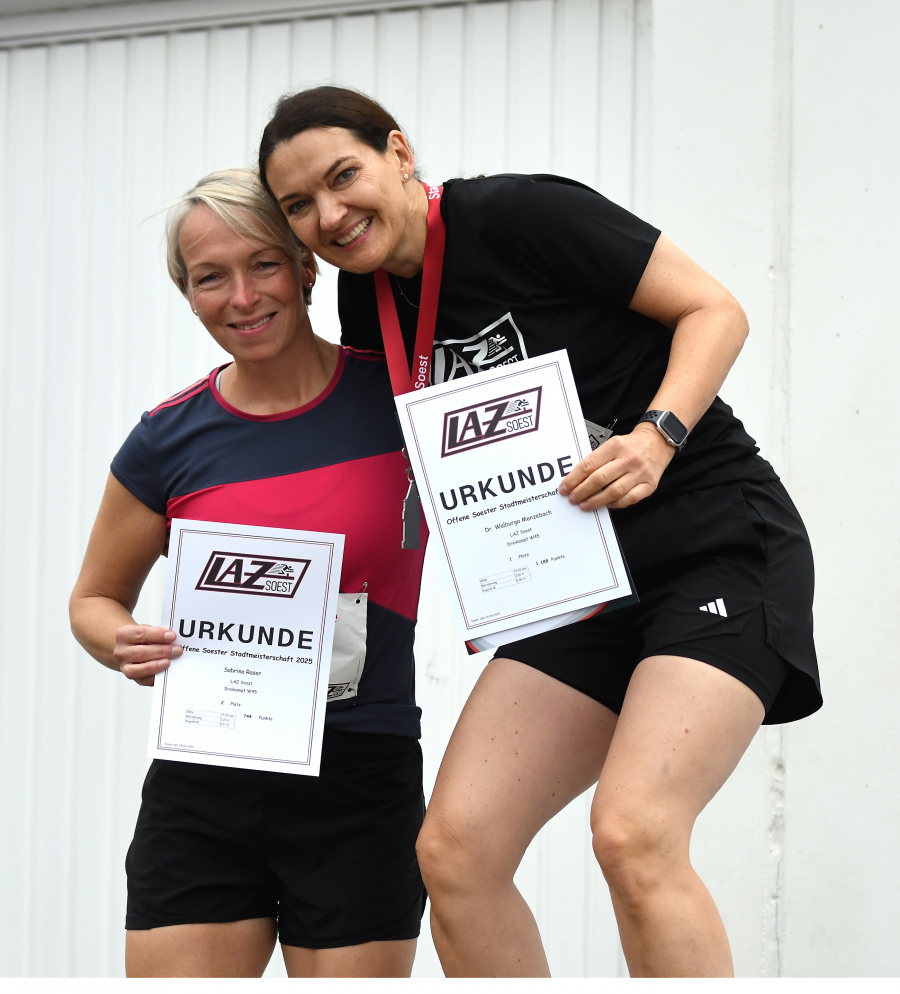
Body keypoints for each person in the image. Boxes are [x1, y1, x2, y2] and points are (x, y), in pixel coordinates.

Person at [256, 87, 823, 979]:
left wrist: (656, 436)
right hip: (575, 586)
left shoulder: (521, 214)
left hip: (712, 544)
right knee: (455, 853)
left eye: (344, 176)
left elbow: (716, 311)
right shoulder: (368, 307)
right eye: (299, 205)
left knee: (634, 833)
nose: (329, 213)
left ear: (399, 153)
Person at [68, 167, 429, 978]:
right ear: (187, 294)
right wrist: (122, 640)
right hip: (204, 782)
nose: (241, 296)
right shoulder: (166, 439)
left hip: (360, 779)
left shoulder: (402, 402)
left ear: (307, 267)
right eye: (209, 277)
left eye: (263, 264)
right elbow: (92, 598)